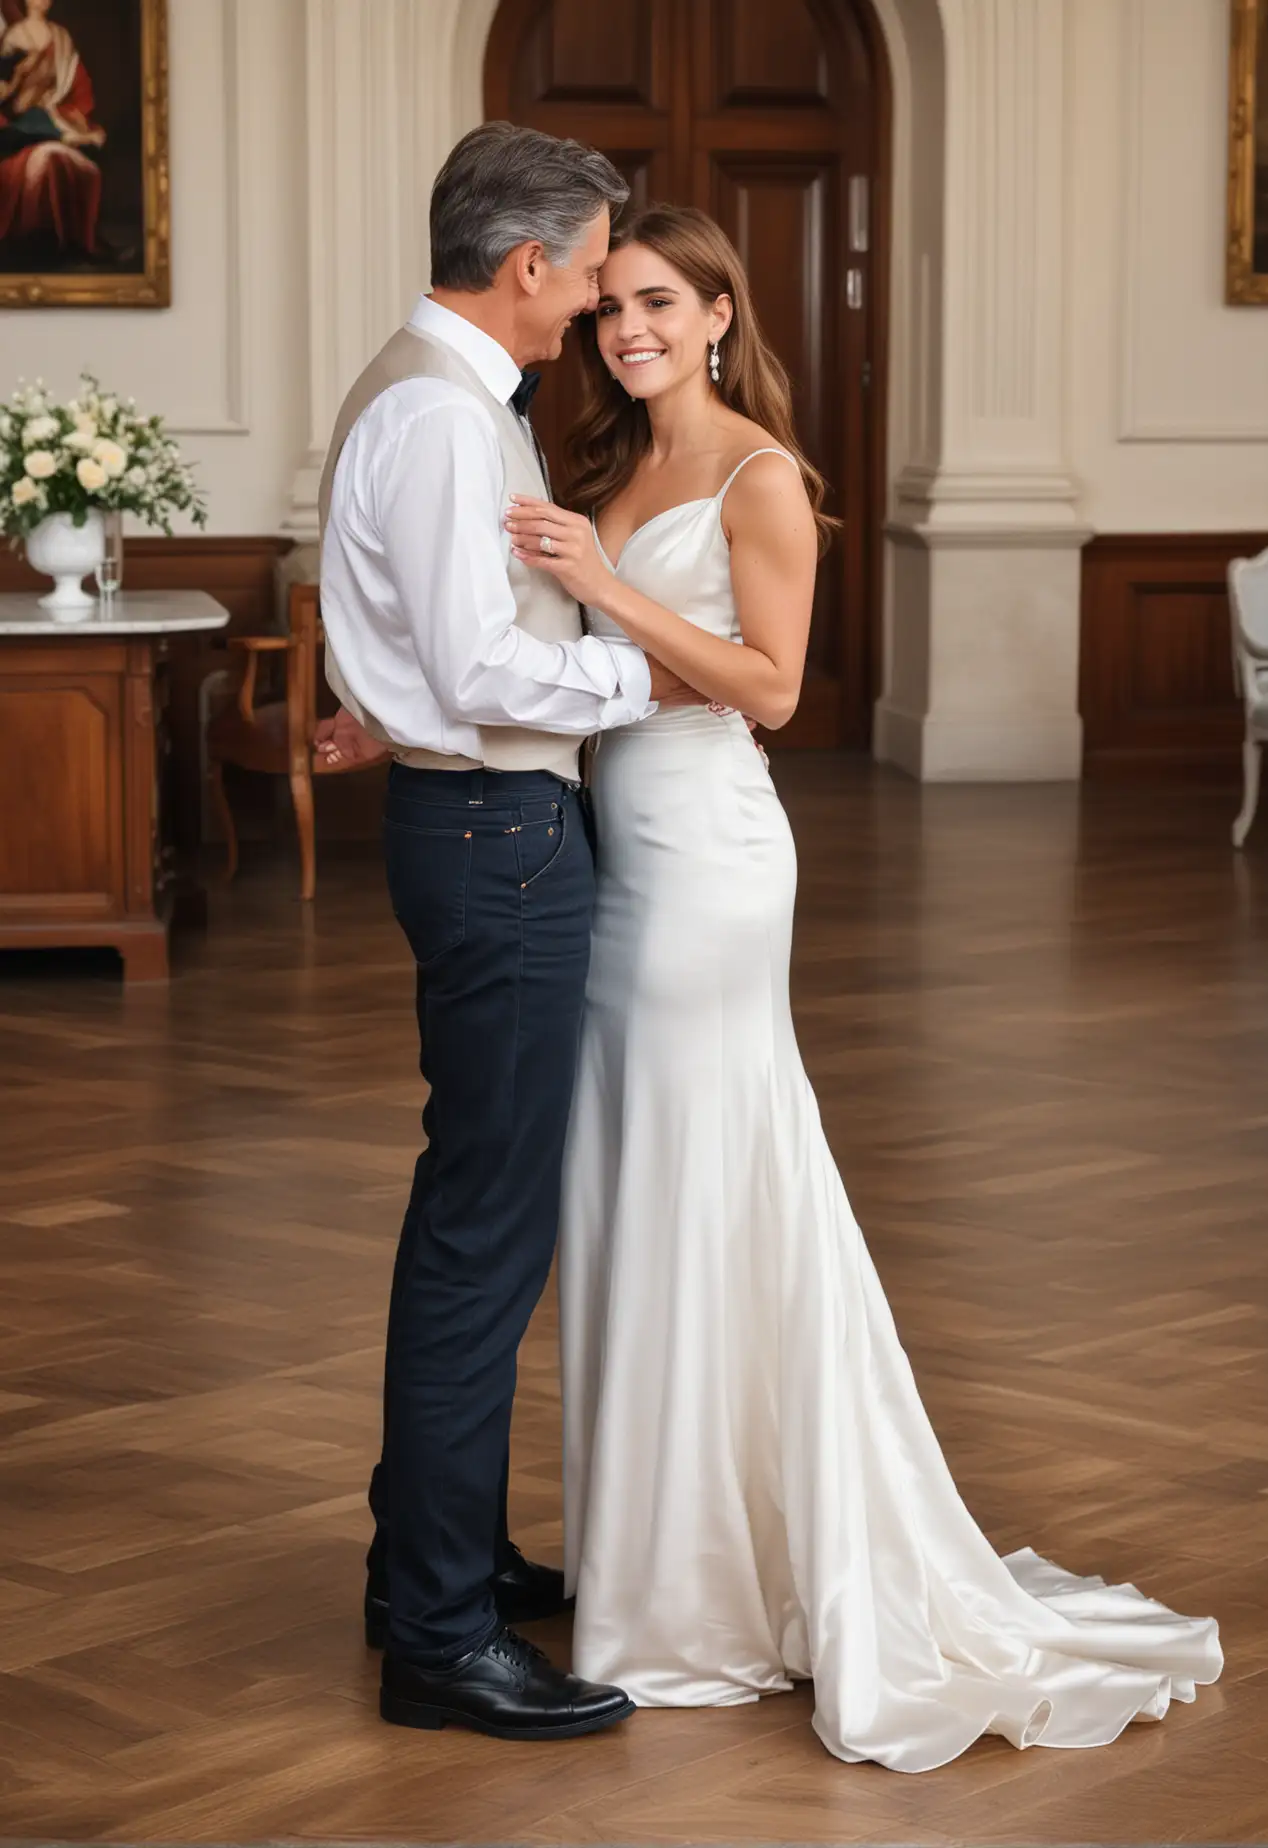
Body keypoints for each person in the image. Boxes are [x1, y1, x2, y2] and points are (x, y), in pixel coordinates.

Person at [498, 203, 1224, 1775]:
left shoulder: (766, 478)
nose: (625, 330)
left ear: (713, 313)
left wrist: (604, 589)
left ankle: (705, 1591)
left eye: (654, 304)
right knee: (637, 1193)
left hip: (708, 867)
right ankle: (662, 1565)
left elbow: (768, 686)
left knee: (707, 1182)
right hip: (609, 859)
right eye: (609, 308)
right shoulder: (601, 471)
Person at [317, 122, 703, 1743]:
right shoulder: (437, 413)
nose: (595, 302)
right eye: (587, 268)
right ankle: (436, 1633)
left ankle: (438, 1551)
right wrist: (645, 676)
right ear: (528, 262)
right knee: (487, 1226)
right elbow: (478, 673)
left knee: (472, 1205)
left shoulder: (442, 394)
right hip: (495, 833)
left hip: (472, 826)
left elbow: (417, 638)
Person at [0, 0, 105, 262]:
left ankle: (81, 243)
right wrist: (20, 76)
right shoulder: (14, 36)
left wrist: (74, 119)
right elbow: (7, 92)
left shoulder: (61, 37)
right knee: (39, 126)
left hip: (55, 116)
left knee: (86, 160)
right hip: (22, 122)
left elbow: (79, 91)